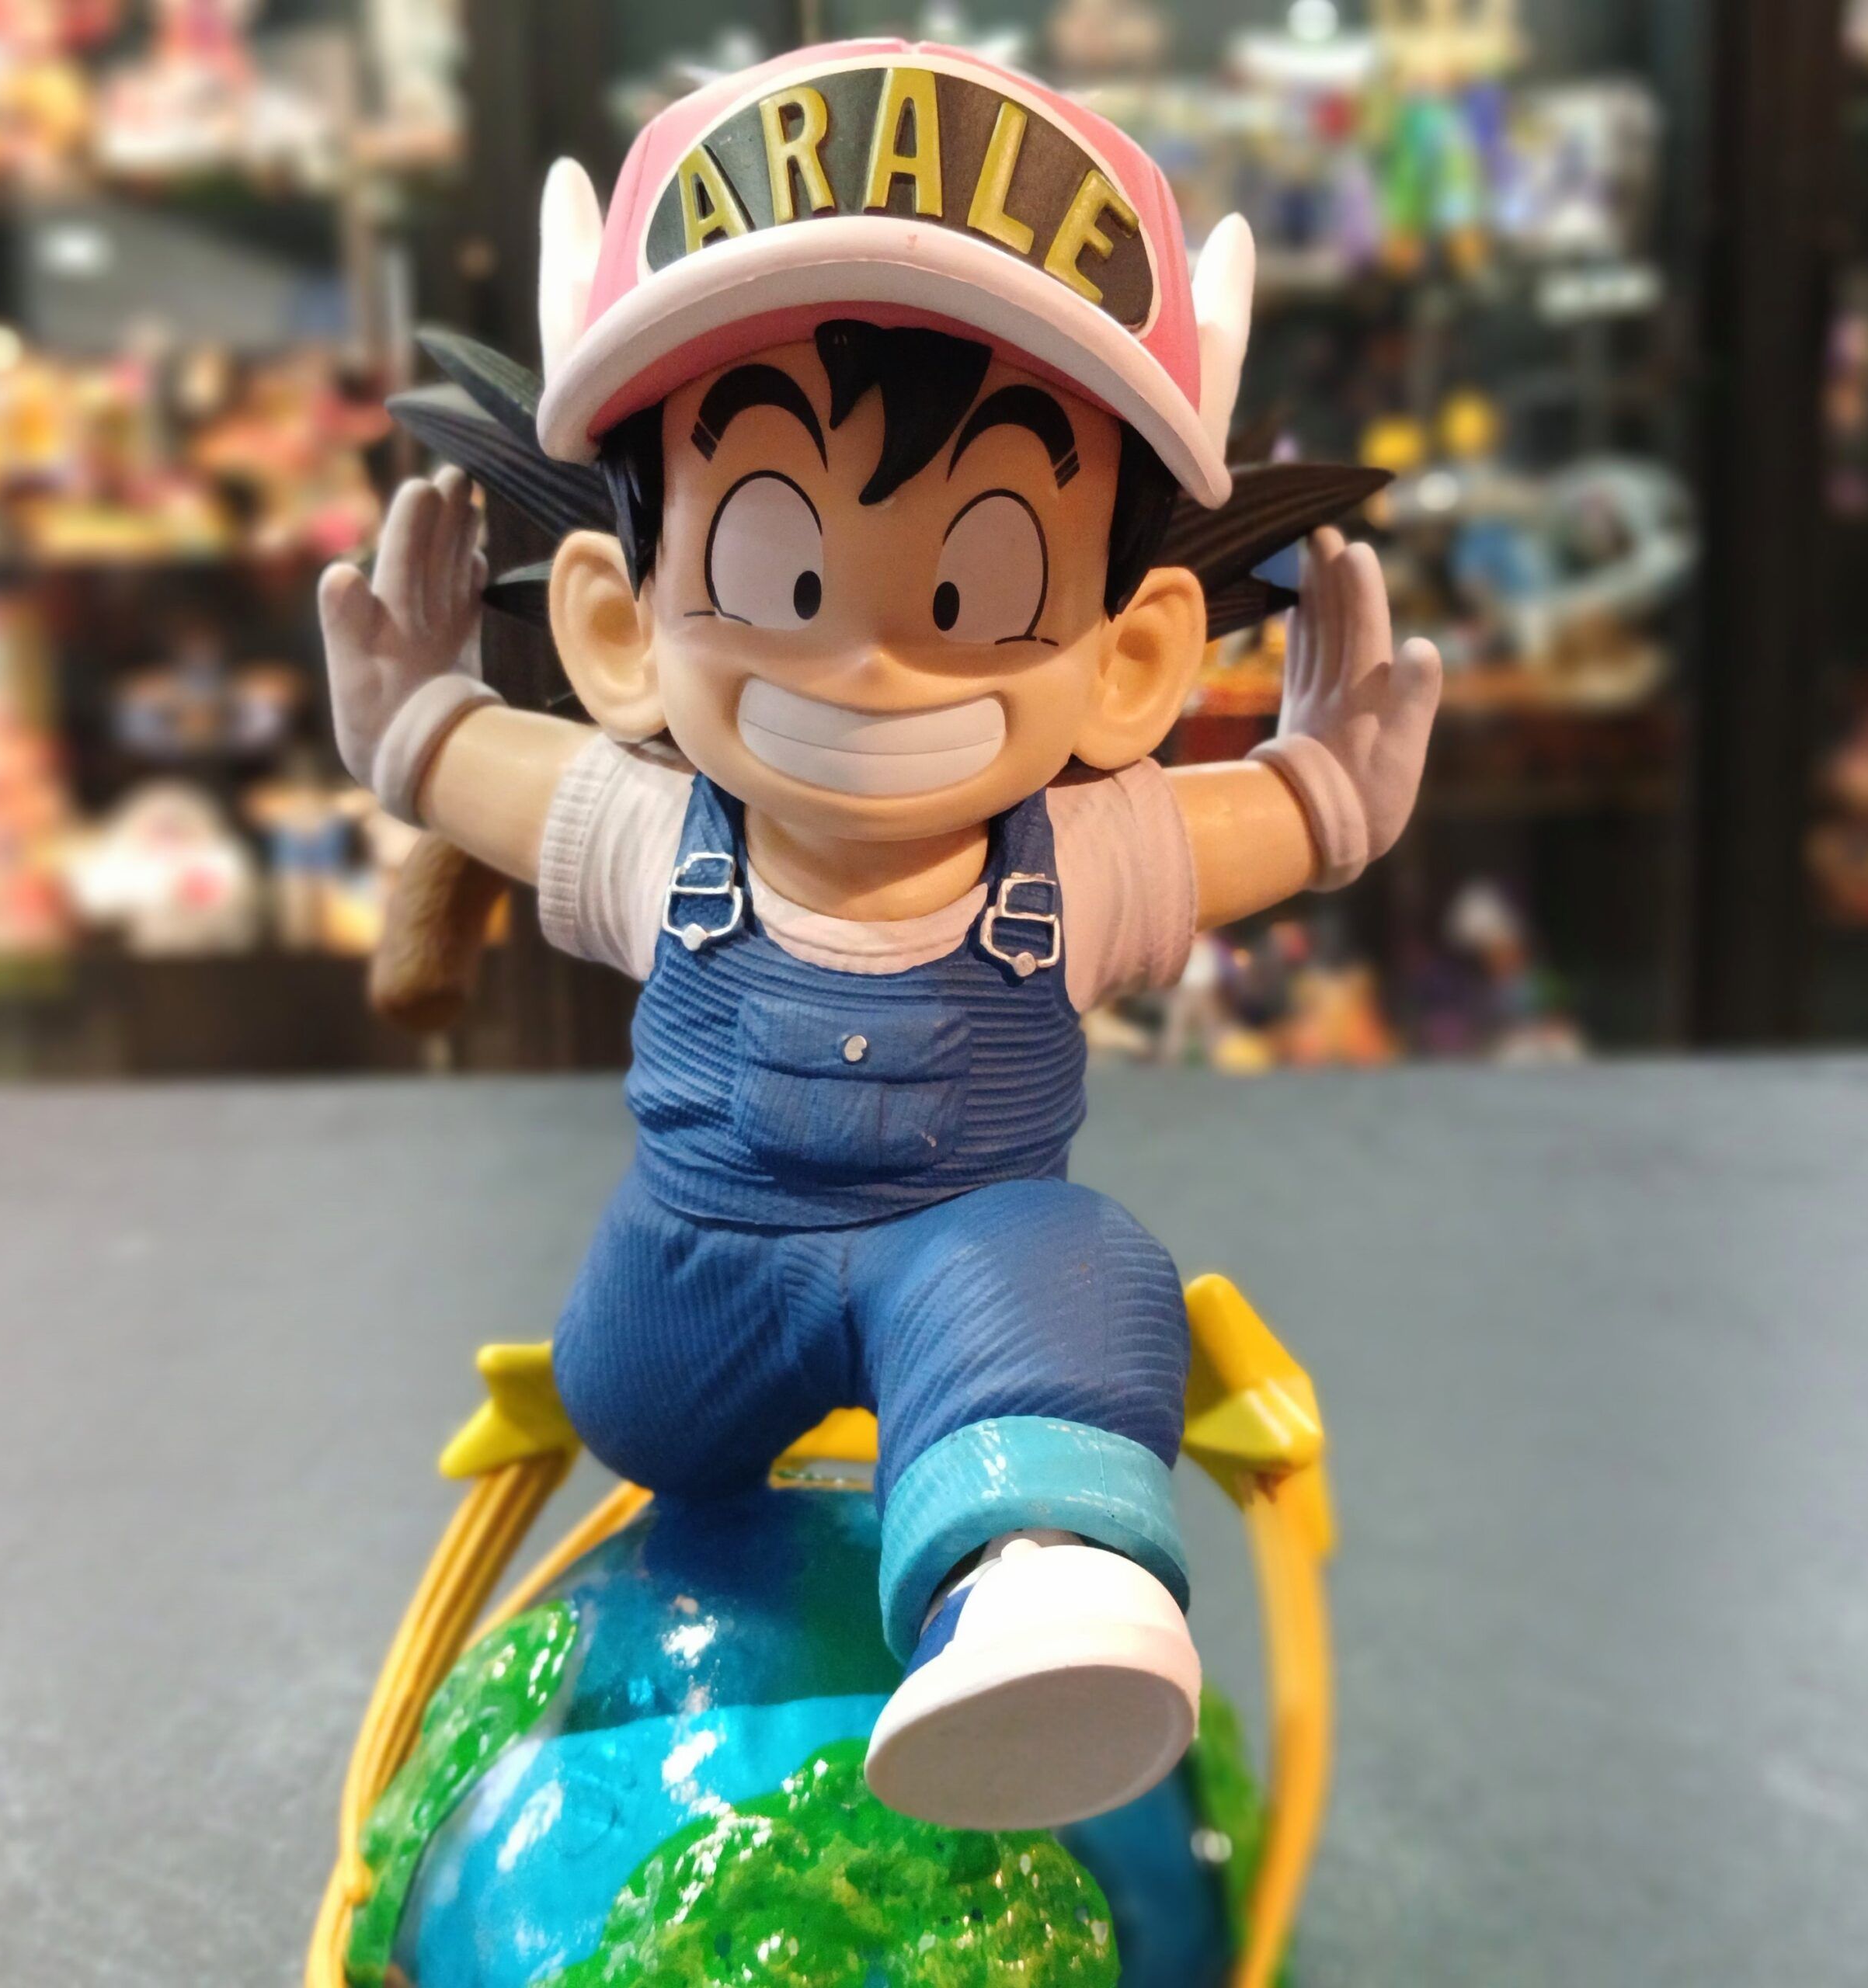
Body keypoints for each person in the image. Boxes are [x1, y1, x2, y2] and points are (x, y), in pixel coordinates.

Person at [320, 39, 1440, 1832]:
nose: (870, 664)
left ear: (1131, 659)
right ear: (614, 626)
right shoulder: (653, 836)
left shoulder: (1070, 863)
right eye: (776, 570)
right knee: (645, 1393)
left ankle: (1040, 1593)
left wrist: (1323, 792)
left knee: (1071, 1262)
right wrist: (416, 729)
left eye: (980, 586)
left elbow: (1245, 826)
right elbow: (481, 776)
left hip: (961, 1272)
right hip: (687, 1297)